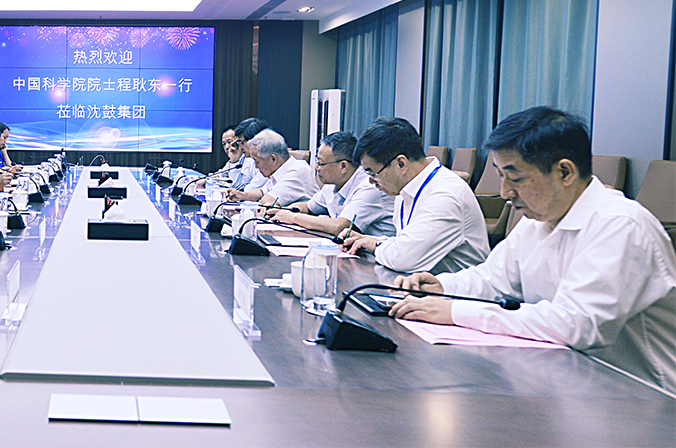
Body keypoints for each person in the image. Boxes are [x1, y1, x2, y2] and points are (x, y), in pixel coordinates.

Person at [390, 107, 676, 393]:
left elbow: (575, 325)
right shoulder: (538, 220)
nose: (505, 192)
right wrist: (441, 286)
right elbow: (493, 279)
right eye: (500, 177)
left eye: (515, 178)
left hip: (646, 395)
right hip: (570, 379)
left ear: (564, 172)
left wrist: (456, 311)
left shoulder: (620, 225)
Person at [342, 117, 488, 274]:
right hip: (424, 283)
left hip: (453, 288)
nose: (371, 182)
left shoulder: (446, 195)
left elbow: (404, 258)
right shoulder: (405, 190)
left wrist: (375, 246)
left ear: (401, 164)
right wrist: (370, 240)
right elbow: (410, 242)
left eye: (373, 174)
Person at [270, 131, 395, 237]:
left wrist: (293, 217)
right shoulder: (331, 184)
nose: (316, 168)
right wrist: (283, 211)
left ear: (343, 166)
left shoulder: (370, 186)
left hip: (373, 254)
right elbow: (308, 207)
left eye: (321, 163)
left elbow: (340, 227)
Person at [247, 129, 318, 208]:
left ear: (273, 158)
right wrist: (242, 195)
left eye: (257, 161)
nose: (256, 166)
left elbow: (268, 201)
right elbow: (262, 192)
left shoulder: (297, 171)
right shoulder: (280, 170)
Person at [226, 118, 272, 200]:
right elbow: (237, 186)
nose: (240, 147)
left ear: (255, 140)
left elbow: (250, 190)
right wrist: (234, 160)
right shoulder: (250, 159)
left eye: (241, 142)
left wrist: (239, 193)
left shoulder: (268, 162)